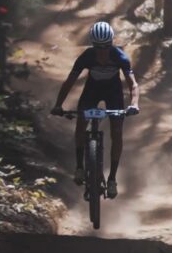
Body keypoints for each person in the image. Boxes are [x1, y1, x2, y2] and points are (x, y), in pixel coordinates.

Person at [51, 22, 140, 198]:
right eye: (97, 47)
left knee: (116, 131)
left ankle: (112, 179)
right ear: (92, 45)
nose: (102, 52)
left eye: (106, 47)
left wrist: (134, 104)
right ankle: (79, 167)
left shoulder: (120, 57)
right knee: (81, 123)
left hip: (113, 92)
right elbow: (69, 81)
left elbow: (133, 84)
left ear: (111, 44)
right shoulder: (86, 57)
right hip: (92, 90)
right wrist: (58, 104)